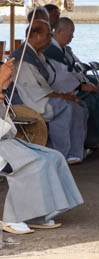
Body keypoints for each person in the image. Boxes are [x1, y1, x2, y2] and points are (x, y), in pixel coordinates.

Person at [0, 57, 83, 235]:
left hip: (7, 142)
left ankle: (37, 213)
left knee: (53, 157)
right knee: (33, 164)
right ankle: (12, 217)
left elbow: (8, 126)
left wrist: (2, 88)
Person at [8, 17, 89, 164]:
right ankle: (62, 153)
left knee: (79, 106)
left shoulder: (37, 54)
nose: (50, 38)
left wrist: (64, 95)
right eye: (47, 35)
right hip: (28, 101)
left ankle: (76, 152)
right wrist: (63, 96)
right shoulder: (23, 58)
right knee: (65, 107)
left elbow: (44, 85)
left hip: (38, 96)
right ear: (36, 36)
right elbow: (37, 90)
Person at [44, 18, 99, 149]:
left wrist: (86, 82)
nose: (72, 36)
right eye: (71, 32)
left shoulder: (64, 50)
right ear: (60, 31)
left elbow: (74, 71)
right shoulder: (50, 51)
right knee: (93, 101)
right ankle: (94, 139)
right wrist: (81, 86)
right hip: (63, 90)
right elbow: (60, 77)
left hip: (74, 85)